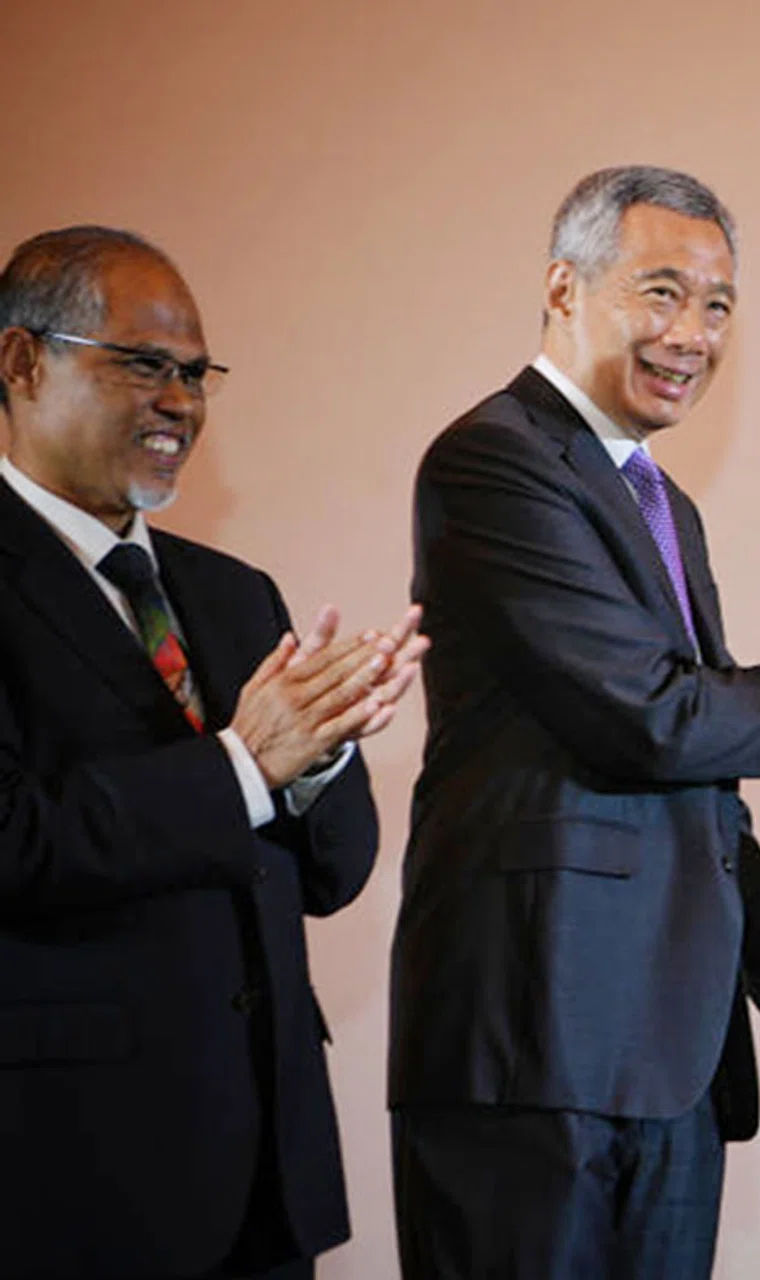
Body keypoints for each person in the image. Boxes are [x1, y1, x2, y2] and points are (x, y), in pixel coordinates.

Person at [388, 165, 760, 1279]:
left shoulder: (666, 505)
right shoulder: (494, 460)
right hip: (536, 1041)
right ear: (564, 289)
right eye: (661, 292)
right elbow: (648, 719)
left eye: (718, 304)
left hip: (666, 1054)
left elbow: (695, 795)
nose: (692, 333)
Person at [0, 226, 425, 1280]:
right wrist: (244, 764)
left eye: (196, 374)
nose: (181, 402)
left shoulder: (237, 594)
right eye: (144, 364)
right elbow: (17, 839)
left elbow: (329, 875)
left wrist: (317, 758)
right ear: (20, 362)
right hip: (66, 1176)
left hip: (263, 1174)